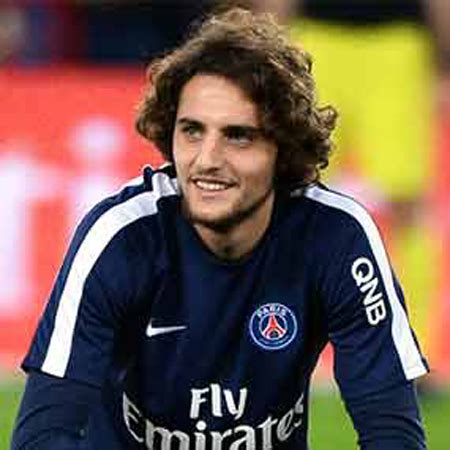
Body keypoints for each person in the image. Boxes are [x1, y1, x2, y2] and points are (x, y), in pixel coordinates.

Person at [11, 8, 429, 450]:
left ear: (283, 150)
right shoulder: (121, 238)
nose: (207, 159)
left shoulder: (337, 238)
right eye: (192, 131)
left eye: (238, 136)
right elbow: (42, 436)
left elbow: (392, 434)